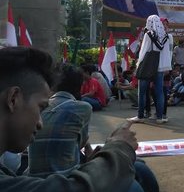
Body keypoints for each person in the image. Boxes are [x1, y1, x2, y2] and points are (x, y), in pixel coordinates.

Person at [0, 47, 138, 191]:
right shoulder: (82, 107)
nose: (41, 123)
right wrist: (120, 147)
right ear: (13, 99)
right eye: (41, 107)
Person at [27, 64, 160, 192]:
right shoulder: (81, 108)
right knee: (135, 177)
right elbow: (82, 143)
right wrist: (117, 144)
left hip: (43, 178)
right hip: (67, 182)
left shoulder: (37, 108)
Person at [128, 15, 173, 124]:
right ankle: (160, 117)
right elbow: (168, 52)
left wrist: (139, 65)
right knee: (160, 92)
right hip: (161, 66)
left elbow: (143, 51)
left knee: (142, 91)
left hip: (148, 66)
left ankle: (140, 116)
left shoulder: (149, 34)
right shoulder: (166, 36)